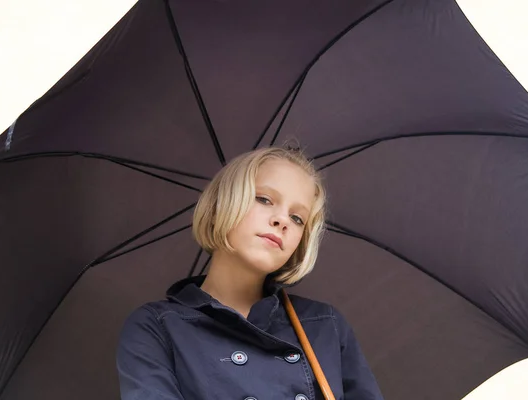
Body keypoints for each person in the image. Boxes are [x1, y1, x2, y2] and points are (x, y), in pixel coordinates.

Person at [116, 146, 384, 399]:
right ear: (221, 204)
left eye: (297, 218)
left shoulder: (326, 326)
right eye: (265, 199)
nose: (281, 221)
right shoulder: (156, 327)